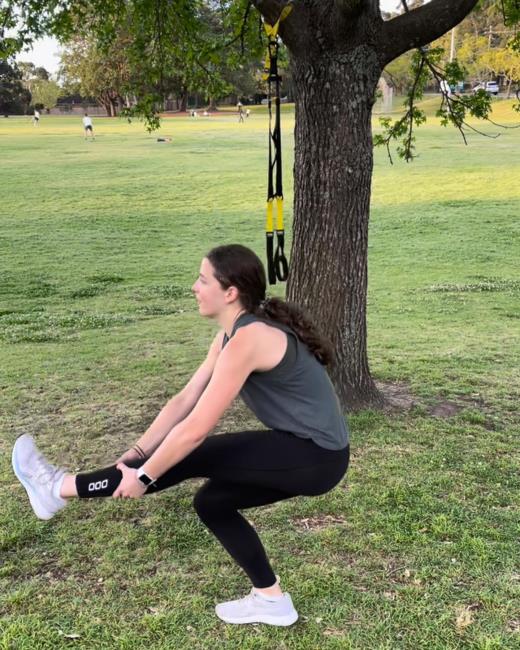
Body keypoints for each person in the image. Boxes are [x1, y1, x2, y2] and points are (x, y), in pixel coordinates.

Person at [12, 244, 350, 627]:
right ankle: (272, 601)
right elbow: (183, 401)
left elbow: (195, 430)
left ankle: (57, 488)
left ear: (230, 292)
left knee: (194, 453)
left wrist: (143, 476)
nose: (194, 287)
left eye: (203, 280)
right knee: (213, 502)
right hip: (310, 453)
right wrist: (138, 451)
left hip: (317, 456)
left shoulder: (249, 339)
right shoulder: (230, 336)